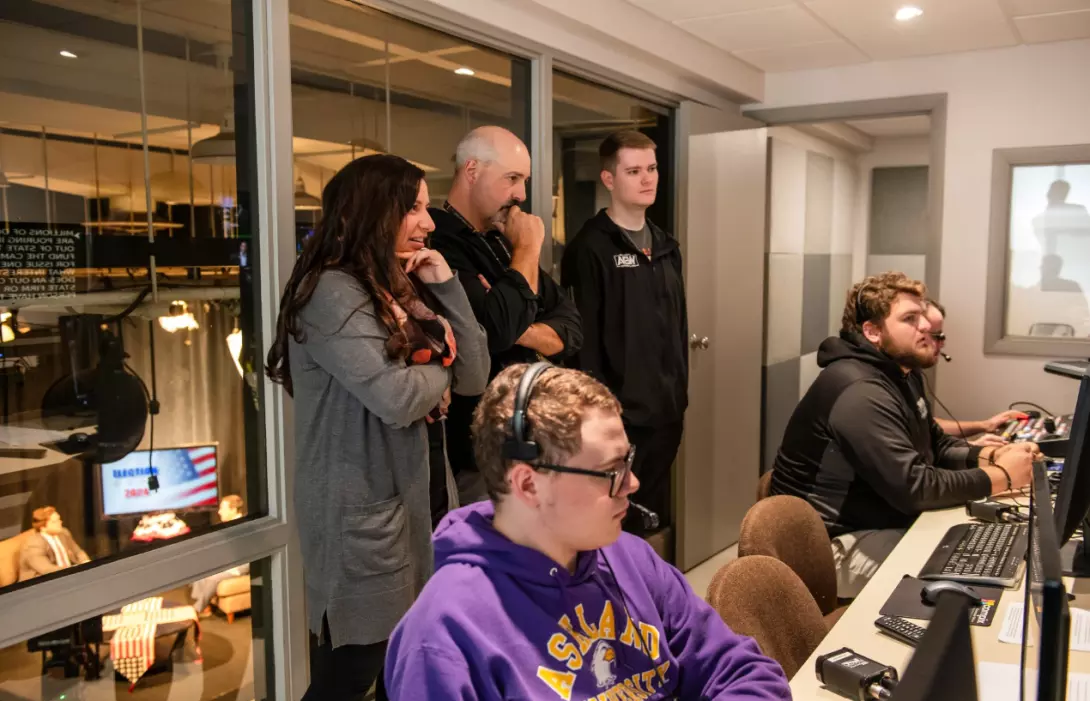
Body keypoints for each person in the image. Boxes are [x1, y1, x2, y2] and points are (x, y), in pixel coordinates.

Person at [384, 364, 791, 700]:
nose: (632, 483)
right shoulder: (443, 636)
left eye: (627, 461)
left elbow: (744, 671)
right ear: (528, 484)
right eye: (611, 472)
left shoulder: (631, 558)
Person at [265, 154, 489, 700]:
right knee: (349, 675)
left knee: (407, 669)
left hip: (422, 502)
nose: (429, 222)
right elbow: (396, 398)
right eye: (413, 207)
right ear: (372, 211)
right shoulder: (331, 291)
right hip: (362, 519)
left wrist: (449, 286)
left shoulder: (400, 284)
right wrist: (441, 363)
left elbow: (476, 372)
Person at [770, 272, 1039, 598]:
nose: (926, 326)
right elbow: (914, 488)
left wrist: (989, 456)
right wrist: (1003, 477)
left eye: (923, 315)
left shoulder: (902, 373)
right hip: (836, 544)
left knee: (983, 551)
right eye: (910, 318)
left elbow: (936, 444)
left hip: (879, 519)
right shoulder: (860, 391)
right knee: (966, 582)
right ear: (872, 331)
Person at [429, 126, 582, 504]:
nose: (521, 195)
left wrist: (515, 324)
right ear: (471, 170)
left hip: (527, 434)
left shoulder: (500, 240)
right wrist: (528, 248)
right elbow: (494, 331)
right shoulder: (440, 240)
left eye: (524, 180)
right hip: (475, 449)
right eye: (512, 178)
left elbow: (571, 326)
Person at [562, 130, 687, 534]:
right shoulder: (591, 248)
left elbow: (676, 324)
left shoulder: (667, 246)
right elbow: (584, 343)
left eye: (651, 168)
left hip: (667, 411)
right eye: (634, 171)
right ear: (609, 180)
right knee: (613, 523)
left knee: (650, 520)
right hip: (621, 416)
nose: (647, 179)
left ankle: (647, 594)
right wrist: (601, 413)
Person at [920, 300, 1027, 447]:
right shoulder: (882, 385)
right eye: (937, 336)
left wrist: (985, 426)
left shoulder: (911, 375)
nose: (942, 344)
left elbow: (925, 425)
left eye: (942, 336)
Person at [190, 495, 248, 617]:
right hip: (227, 562)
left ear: (233, 510)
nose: (219, 512)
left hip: (240, 566)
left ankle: (197, 609)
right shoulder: (227, 525)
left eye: (223, 508)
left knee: (212, 578)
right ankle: (205, 604)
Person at [19, 506, 90, 581]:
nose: (60, 522)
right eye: (55, 521)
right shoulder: (33, 544)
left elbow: (78, 551)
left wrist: (85, 562)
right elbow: (46, 569)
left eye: (59, 519)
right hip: (43, 582)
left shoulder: (64, 532)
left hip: (67, 575)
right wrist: (73, 571)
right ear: (43, 527)